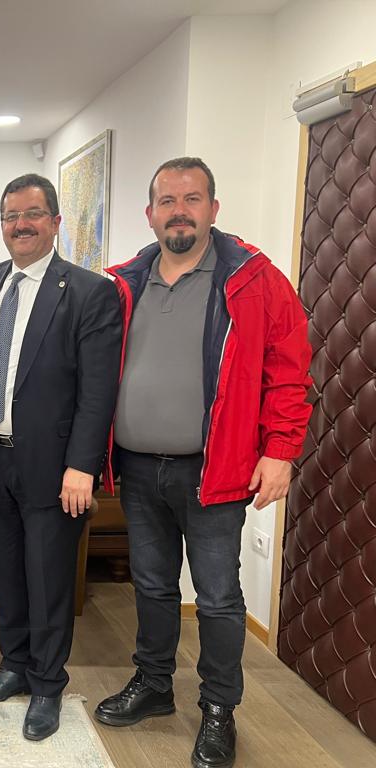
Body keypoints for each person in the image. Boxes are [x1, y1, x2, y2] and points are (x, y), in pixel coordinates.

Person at [94, 157, 311, 768]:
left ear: (213, 209)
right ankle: (154, 683)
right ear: (150, 213)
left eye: (192, 199)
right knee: (152, 585)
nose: (179, 211)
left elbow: (289, 371)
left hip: (214, 472)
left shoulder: (253, 279)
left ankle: (219, 708)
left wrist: (280, 451)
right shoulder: (123, 282)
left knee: (216, 598)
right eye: (167, 201)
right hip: (139, 468)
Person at [0, 173, 121, 740]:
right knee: (5, 571)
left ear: (55, 222)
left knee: (49, 579)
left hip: (55, 467)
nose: (20, 225)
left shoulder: (89, 291)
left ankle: (48, 685)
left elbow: (98, 391)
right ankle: (14, 666)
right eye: (10, 216)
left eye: (31, 214)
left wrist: (82, 467)